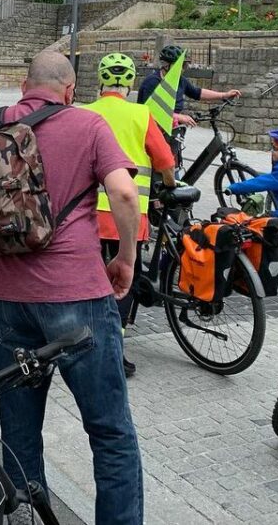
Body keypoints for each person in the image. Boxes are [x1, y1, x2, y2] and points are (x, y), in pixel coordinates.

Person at [0, 50, 143, 525]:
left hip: (6, 299)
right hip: (77, 298)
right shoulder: (87, 125)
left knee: (20, 433)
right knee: (110, 432)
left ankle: (26, 519)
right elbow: (125, 193)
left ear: (25, 85)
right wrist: (125, 258)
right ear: (70, 90)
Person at [82, 53, 175, 378]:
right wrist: (170, 184)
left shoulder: (85, 112)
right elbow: (165, 162)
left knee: (90, 277)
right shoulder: (141, 114)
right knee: (124, 281)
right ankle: (114, 348)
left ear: (100, 80)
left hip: (88, 215)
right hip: (127, 215)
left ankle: (84, 339)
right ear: (131, 82)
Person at [136, 44, 241, 126]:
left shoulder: (180, 80)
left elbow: (197, 93)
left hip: (174, 128)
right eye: (180, 65)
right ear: (166, 65)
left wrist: (223, 95)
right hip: (153, 130)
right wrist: (178, 117)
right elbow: (149, 111)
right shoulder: (152, 82)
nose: (183, 68)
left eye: (184, 65)